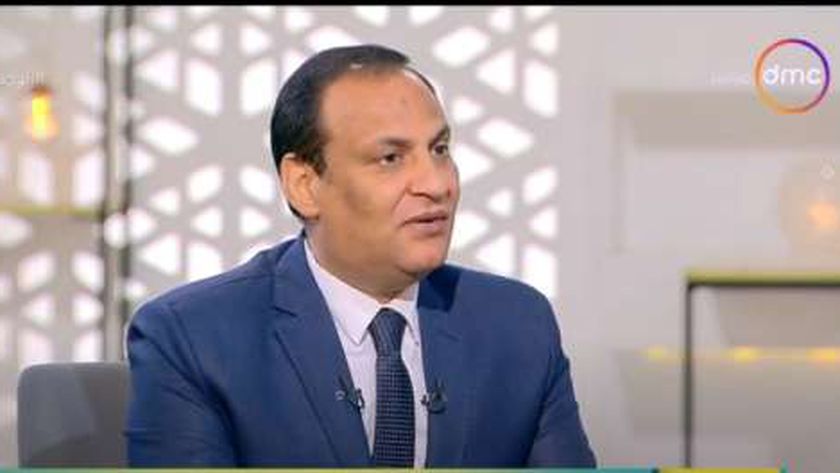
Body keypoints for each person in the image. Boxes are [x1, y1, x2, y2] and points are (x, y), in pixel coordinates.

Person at [125, 44, 596, 468]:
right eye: (391, 158)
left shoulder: (518, 327)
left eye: (439, 149)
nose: (436, 184)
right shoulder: (193, 337)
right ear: (304, 186)